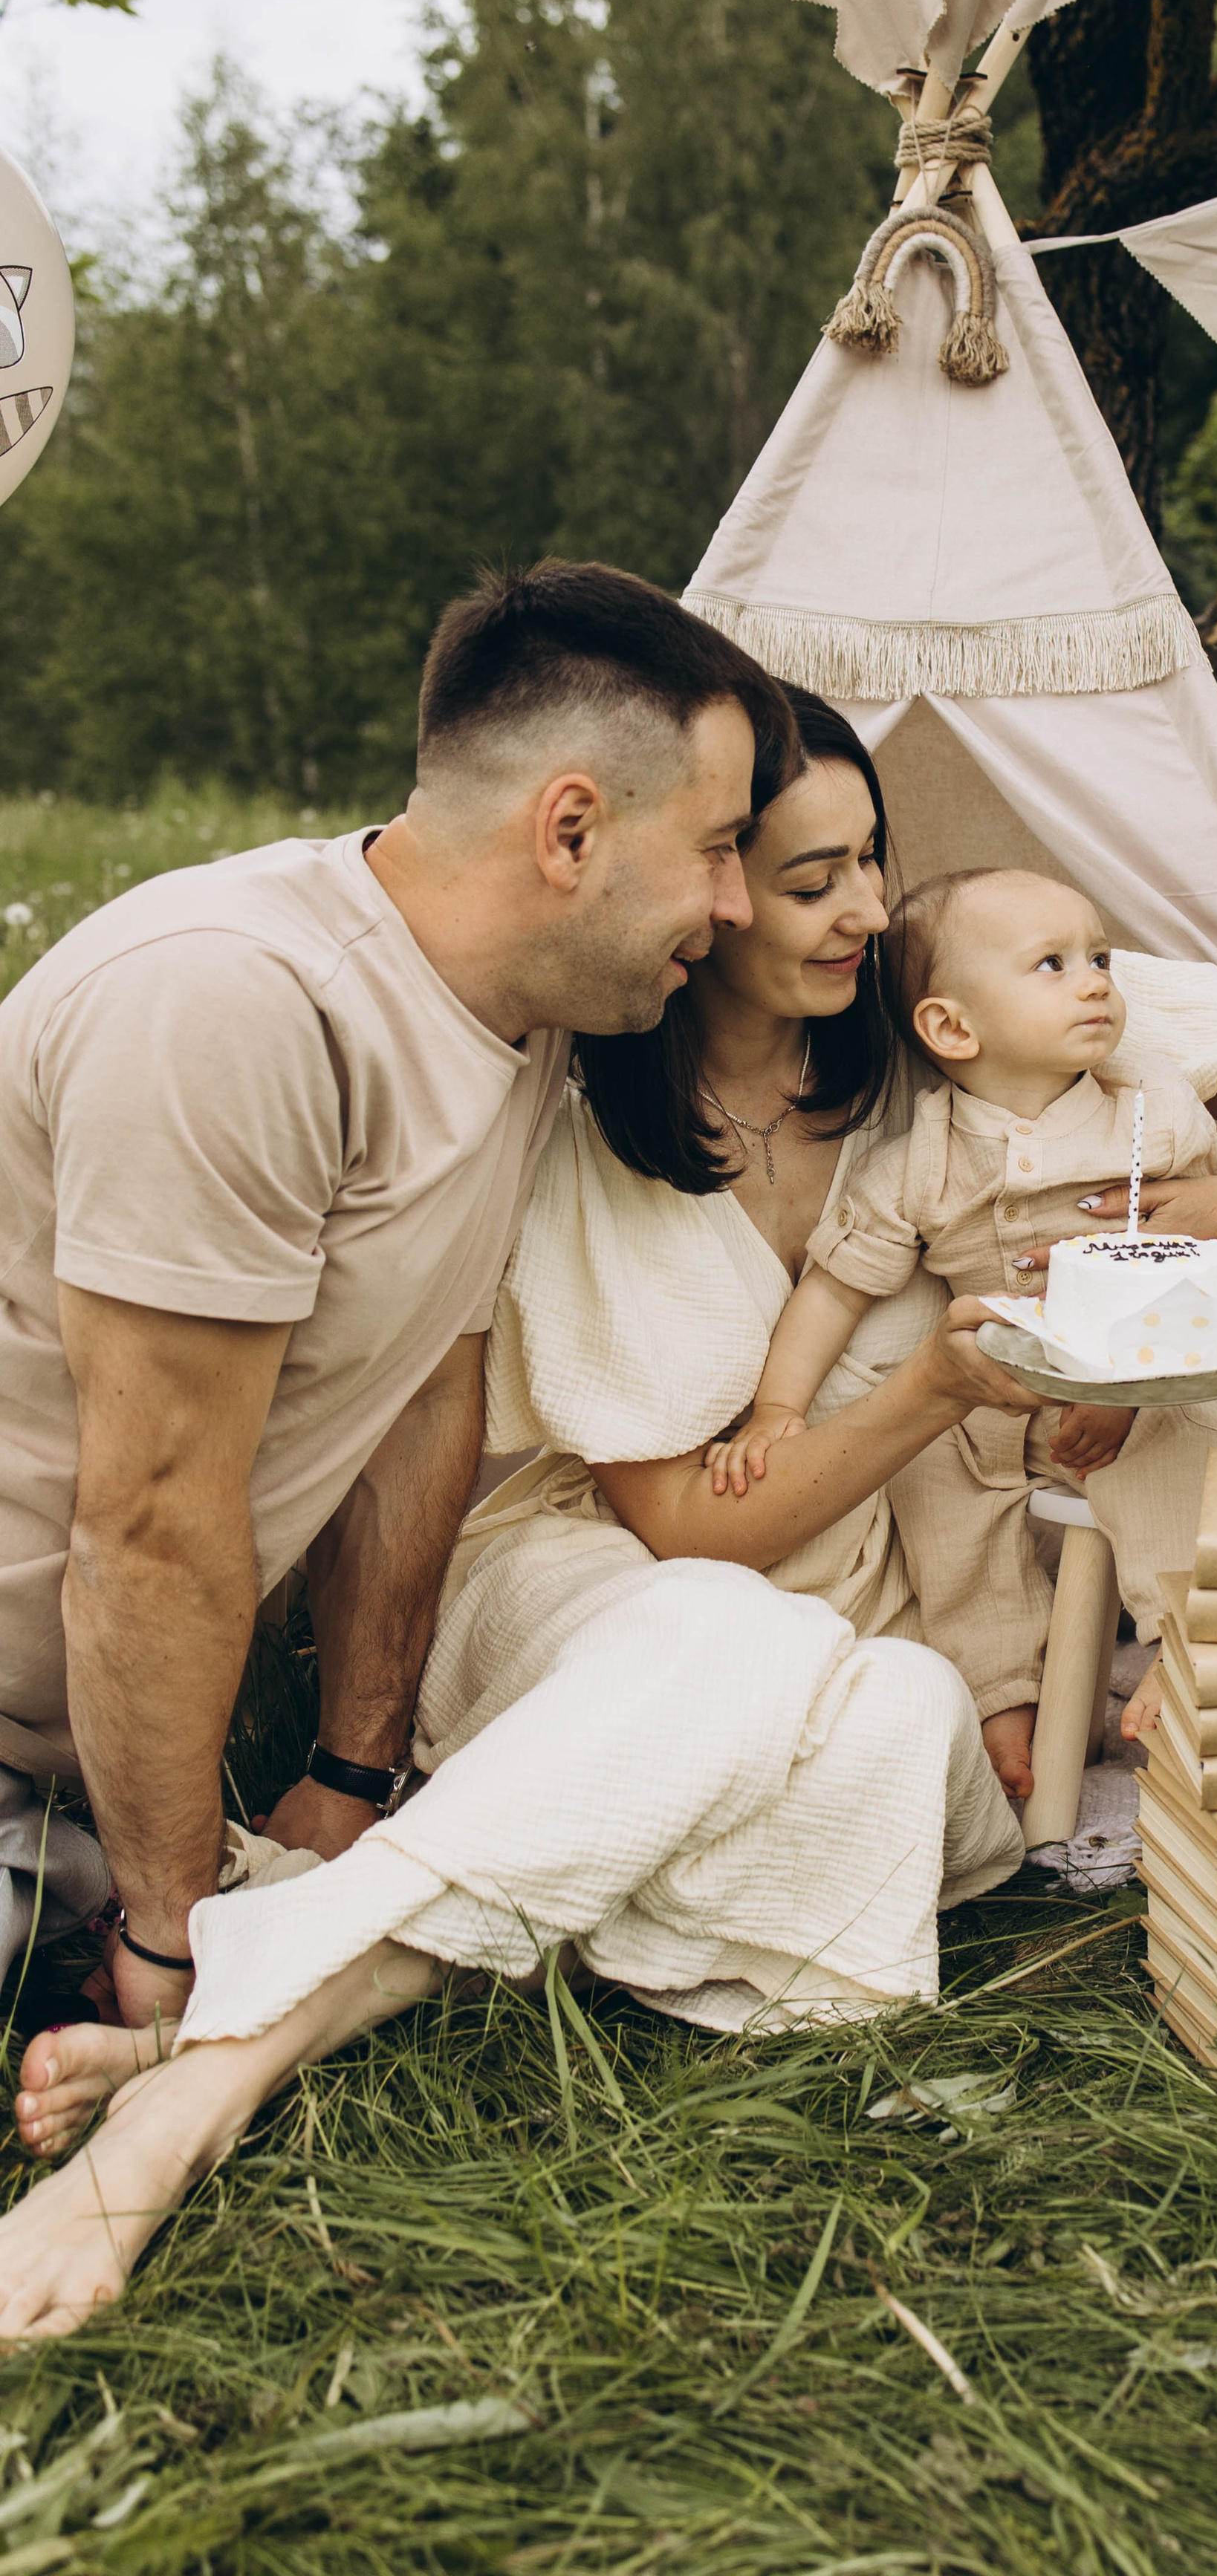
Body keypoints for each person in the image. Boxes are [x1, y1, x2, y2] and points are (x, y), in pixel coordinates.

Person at [0, 680, 1217, 2341]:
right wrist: (936, 1394)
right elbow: (695, 1538)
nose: (858, 909)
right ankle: (211, 2083)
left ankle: (304, 1952)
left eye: (867, 865)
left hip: (864, 1622)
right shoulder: (580, 1113)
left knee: (899, 1719)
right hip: (590, 1571)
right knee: (731, 1647)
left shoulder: (946, 1024)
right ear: (695, 902)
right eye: (792, 877)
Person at [0, 556, 779, 2037]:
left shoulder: (520, 1017)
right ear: (570, 829)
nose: (735, 905)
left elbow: (426, 1380)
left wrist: (350, 1776)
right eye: (719, 848)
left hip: (80, 1766)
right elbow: (150, 1523)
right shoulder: (232, 1002)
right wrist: (178, 1958)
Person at [709, 865, 1217, 1797]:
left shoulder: (1149, 1115)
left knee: (1190, 1450)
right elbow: (834, 1293)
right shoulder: (918, 1161)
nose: (1094, 981)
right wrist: (776, 1407)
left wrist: (1127, 1400)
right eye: (1051, 965)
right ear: (952, 1028)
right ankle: (1003, 1694)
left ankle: (1185, 1643)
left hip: (1149, 1380)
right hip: (993, 1401)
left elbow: (1206, 1268)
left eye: (1098, 958)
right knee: (935, 1484)